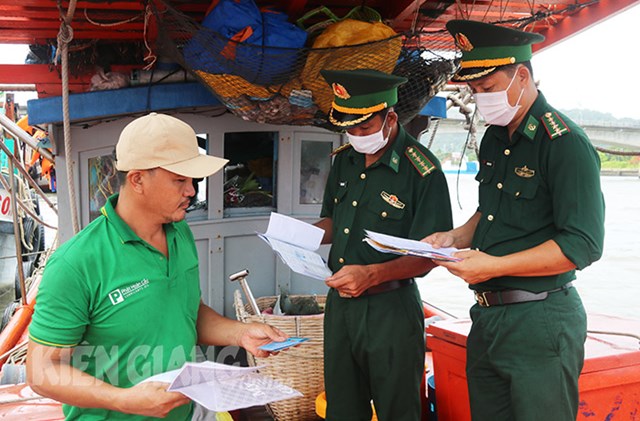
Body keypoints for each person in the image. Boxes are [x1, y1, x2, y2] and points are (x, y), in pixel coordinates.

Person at [26, 112, 287, 420]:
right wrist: (124, 400)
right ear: (137, 179)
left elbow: (185, 311)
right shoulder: (76, 263)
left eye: (192, 180)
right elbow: (41, 371)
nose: (191, 191)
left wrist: (240, 334)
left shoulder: (179, 232)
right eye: (179, 180)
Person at [424, 20, 605, 421]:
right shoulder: (494, 138)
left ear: (522, 76)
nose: (481, 98)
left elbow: (582, 245)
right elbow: (490, 212)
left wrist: (493, 266)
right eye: (475, 90)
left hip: (540, 320)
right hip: (488, 317)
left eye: (488, 89)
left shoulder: (564, 143)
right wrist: (453, 238)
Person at [315, 69, 453, 421]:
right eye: (350, 128)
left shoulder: (422, 171)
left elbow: (429, 257)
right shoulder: (343, 161)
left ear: (390, 117)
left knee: (398, 410)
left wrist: (373, 274)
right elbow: (332, 219)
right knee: (342, 410)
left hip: (392, 307)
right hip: (341, 309)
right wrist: (299, 237)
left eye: (364, 127)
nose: (357, 136)